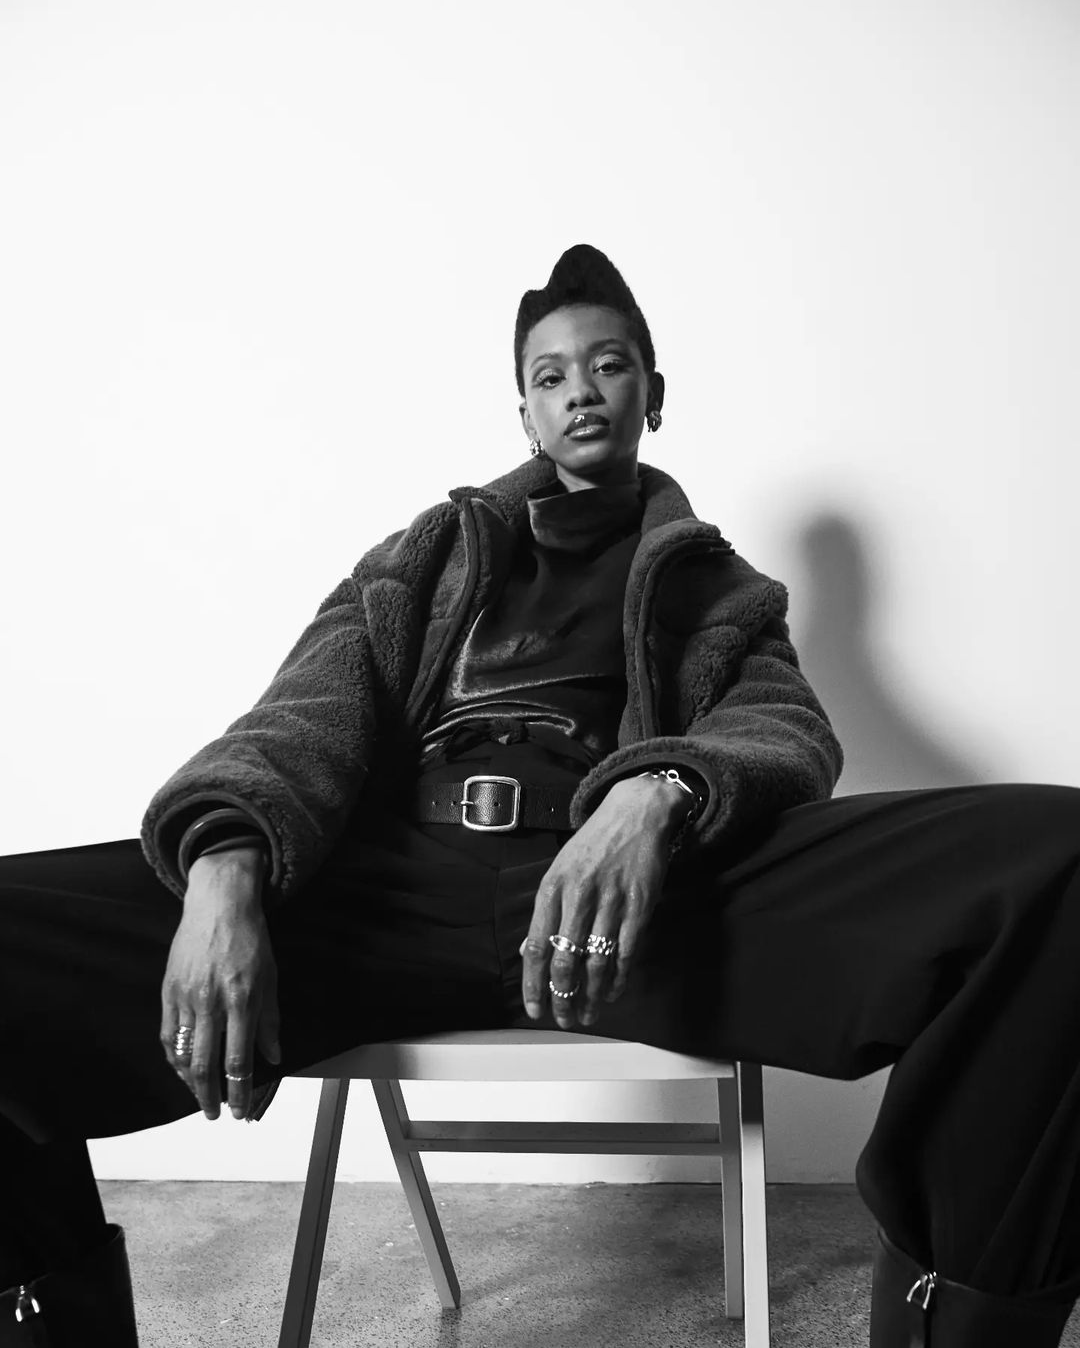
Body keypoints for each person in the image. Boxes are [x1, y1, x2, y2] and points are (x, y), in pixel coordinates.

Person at [1, 244, 1078, 1348]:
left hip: (629, 908)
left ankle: (954, 1322)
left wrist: (654, 793)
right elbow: (300, 717)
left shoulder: (720, 587)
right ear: (524, 412)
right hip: (390, 901)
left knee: (1058, 863)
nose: (581, 392)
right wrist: (222, 869)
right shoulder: (421, 561)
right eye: (551, 376)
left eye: (608, 366)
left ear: (653, 394)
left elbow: (783, 729)